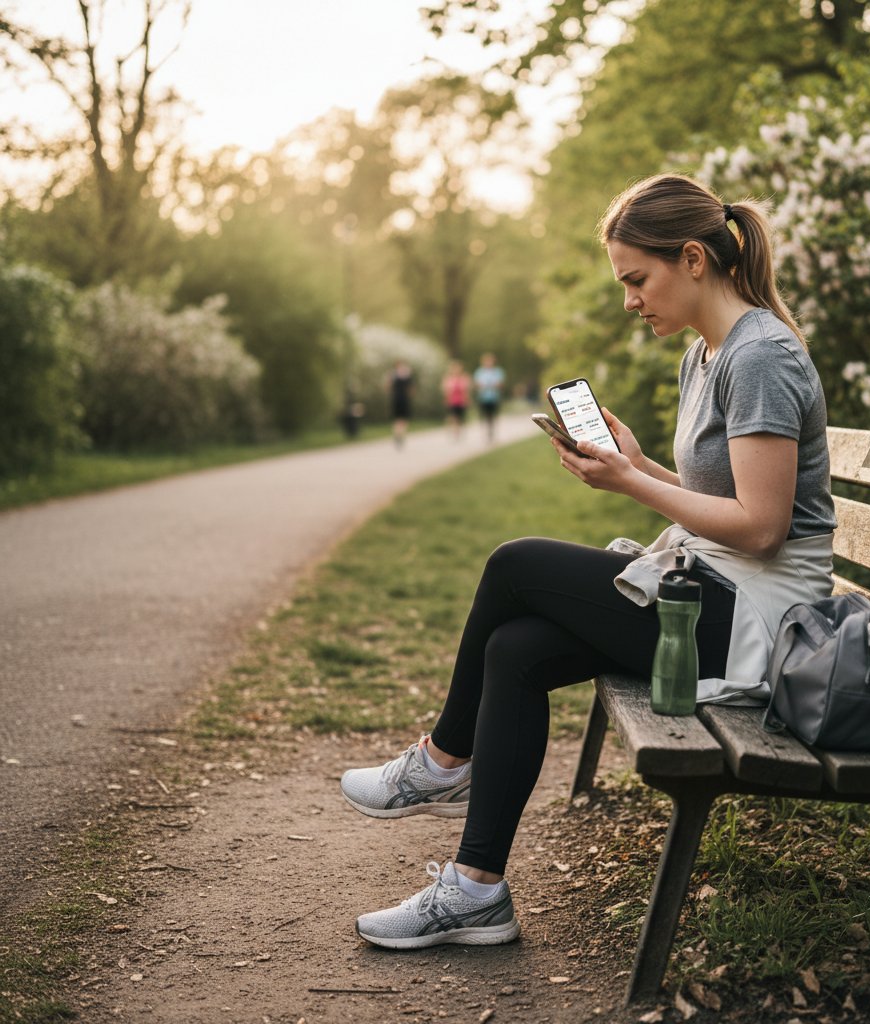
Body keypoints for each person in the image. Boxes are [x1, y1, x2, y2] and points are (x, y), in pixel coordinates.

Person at [340, 173, 837, 949]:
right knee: (517, 650)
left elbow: (765, 529)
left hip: (760, 624)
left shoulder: (761, 356)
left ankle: (442, 759)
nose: (631, 300)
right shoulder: (706, 356)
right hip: (711, 590)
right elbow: (732, 507)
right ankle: (476, 891)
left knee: (514, 565)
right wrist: (645, 468)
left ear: (695, 259)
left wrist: (632, 482)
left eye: (638, 279)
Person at [473, 353, 506, 442]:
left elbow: (501, 384)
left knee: (492, 416)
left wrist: (494, 385)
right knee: (484, 415)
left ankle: (491, 431)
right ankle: (486, 431)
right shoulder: (479, 372)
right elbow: (476, 384)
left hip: (494, 398)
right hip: (483, 398)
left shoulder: (498, 372)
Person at [442, 360, 472, 441]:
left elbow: (466, 390)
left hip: (461, 401)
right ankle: (455, 432)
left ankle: (457, 430)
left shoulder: (464, 378)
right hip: (452, 400)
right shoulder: (449, 378)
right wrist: (446, 399)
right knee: (454, 417)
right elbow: (446, 390)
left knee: (460, 417)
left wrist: (467, 399)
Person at [388, 360, 415, 449]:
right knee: (403, 420)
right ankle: (401, 435)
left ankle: (398, 435)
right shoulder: (407, 377)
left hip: (395, 399)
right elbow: (411, 390)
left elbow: (388, 387)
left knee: (397, 420)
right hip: (403, 400)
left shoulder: (393, 376)